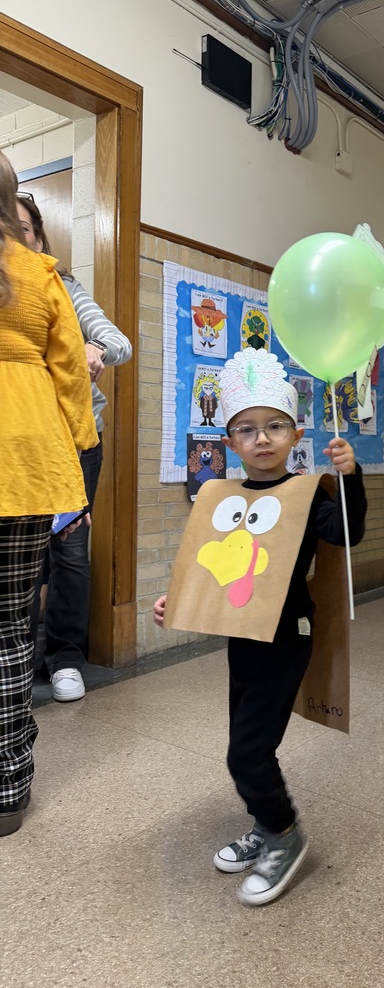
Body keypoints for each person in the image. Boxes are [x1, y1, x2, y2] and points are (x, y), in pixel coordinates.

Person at [153, 348, 366, 905]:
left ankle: (285, 834)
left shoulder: (304, 494)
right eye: (247, 430)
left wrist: (350, 479)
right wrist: (176, 600)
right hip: (242, 640)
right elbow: (210, 563)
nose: (262, 438)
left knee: (246, 752)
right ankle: (263, 823)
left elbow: (346, 532)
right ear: (230, 444)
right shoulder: (222, 495)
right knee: (245, 739)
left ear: (296, 434)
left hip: (286, 636)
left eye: (274, 426)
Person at [0, 152, 97, 836]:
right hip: (30, 457)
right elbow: (70, 373)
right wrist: (80, 451)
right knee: (9, 628)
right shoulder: (39, 271)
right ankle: (9, 786)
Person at [17, 191, 133, 702]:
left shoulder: (60, 283)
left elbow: (121, 342)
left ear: (40, 237)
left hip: (76, 440)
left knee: (69, 549)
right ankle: (17, 659)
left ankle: (65, 657)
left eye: (24, 227)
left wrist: (93, 346)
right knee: (18, 548)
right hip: (17, 442)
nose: (14, 235)